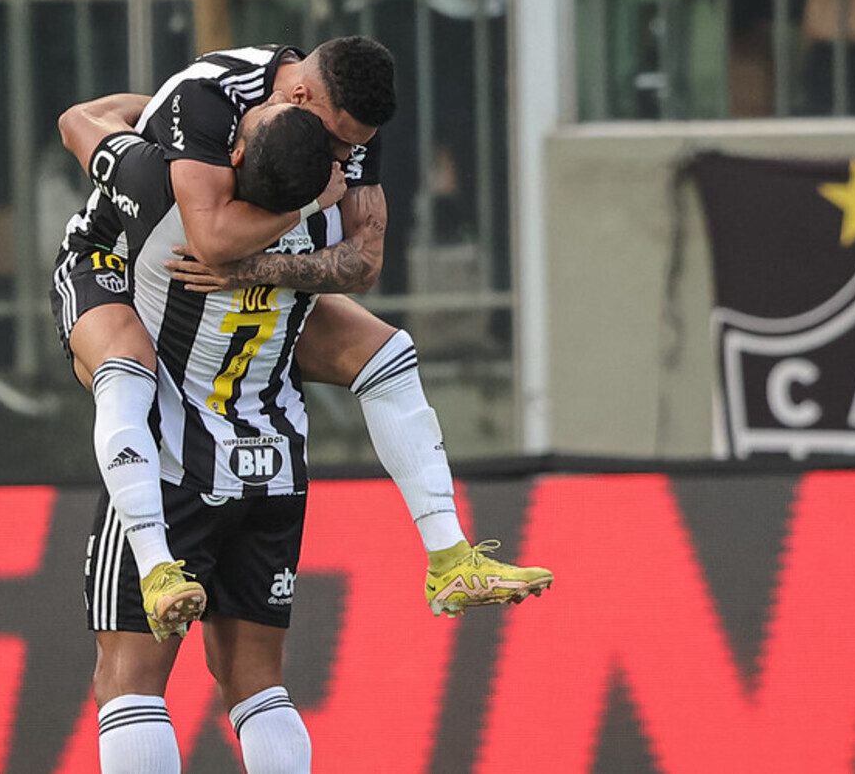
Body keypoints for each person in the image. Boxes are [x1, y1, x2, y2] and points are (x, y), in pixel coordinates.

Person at [58, 37, 552, 641]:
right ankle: (154, 560)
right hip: (118, 264)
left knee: (387, 353)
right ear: (297, 95)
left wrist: (256, 266)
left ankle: (450, 557)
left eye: (357, 146)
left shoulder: (343, 130)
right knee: (127, 367)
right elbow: (207, 242)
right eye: (340, 142)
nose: (346, 158)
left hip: (229, 273)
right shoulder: (204, 107)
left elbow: (363, 263)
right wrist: (299, 205)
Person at [53, 92, 337, 773]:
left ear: (232, 153)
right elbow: (371, 315)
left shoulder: (161, 189)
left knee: (129, 683)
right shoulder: (320, 235)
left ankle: (153, 563)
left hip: (173, 464)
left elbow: (77, 121)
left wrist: (175, 101)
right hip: (273, 464)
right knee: (258, 684)